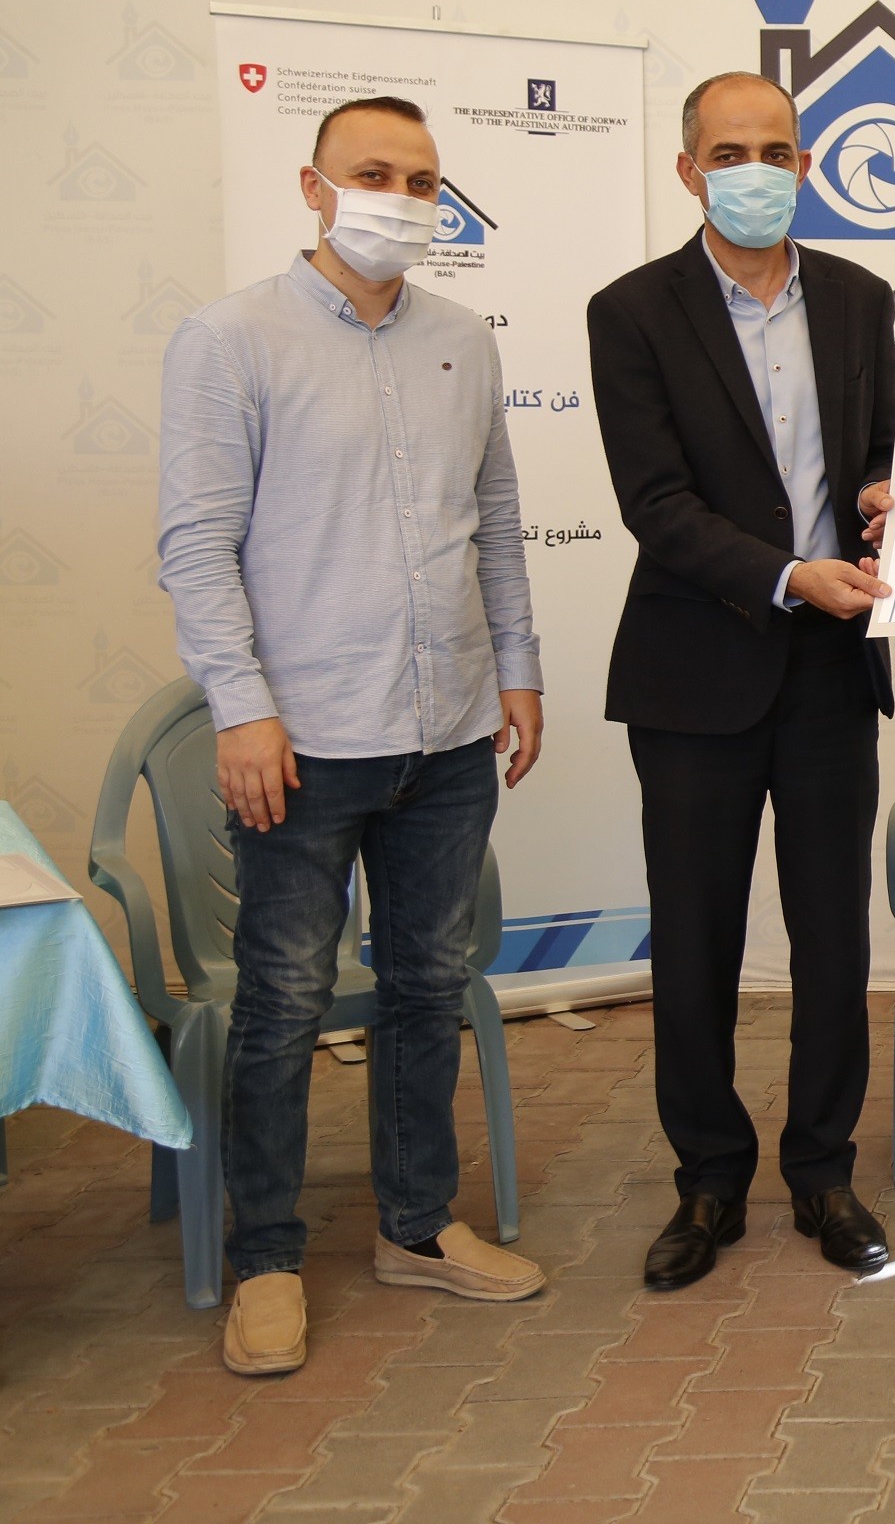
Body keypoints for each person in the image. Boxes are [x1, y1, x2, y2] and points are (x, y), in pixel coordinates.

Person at [159, 95, 550, 1377]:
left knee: (428, 985)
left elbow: (495, 520)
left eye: (422, 180)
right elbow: (197, 546)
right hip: (304, 738)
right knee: (281, 1003)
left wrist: (518, 670)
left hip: (449, 729)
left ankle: (417, 1226)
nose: (400, 196)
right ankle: (267, 1258)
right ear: (313, 186)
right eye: (372, 173)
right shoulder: (230, 340)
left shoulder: (462, 340)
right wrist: (242, 707)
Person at [586, 71, 895, 1291]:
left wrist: (887, 502)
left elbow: (877, 459)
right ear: (688, 171)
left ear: (807, 166)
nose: (753, 171)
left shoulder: (861, 299)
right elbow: (656, 504)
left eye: (775, 150)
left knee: (832, 940)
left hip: (831, 671)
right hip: (694, 671)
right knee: (695, 942)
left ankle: (823, 1171)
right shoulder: (632, 312)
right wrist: (784, 576)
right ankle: (708, 1180)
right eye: (728, 153)